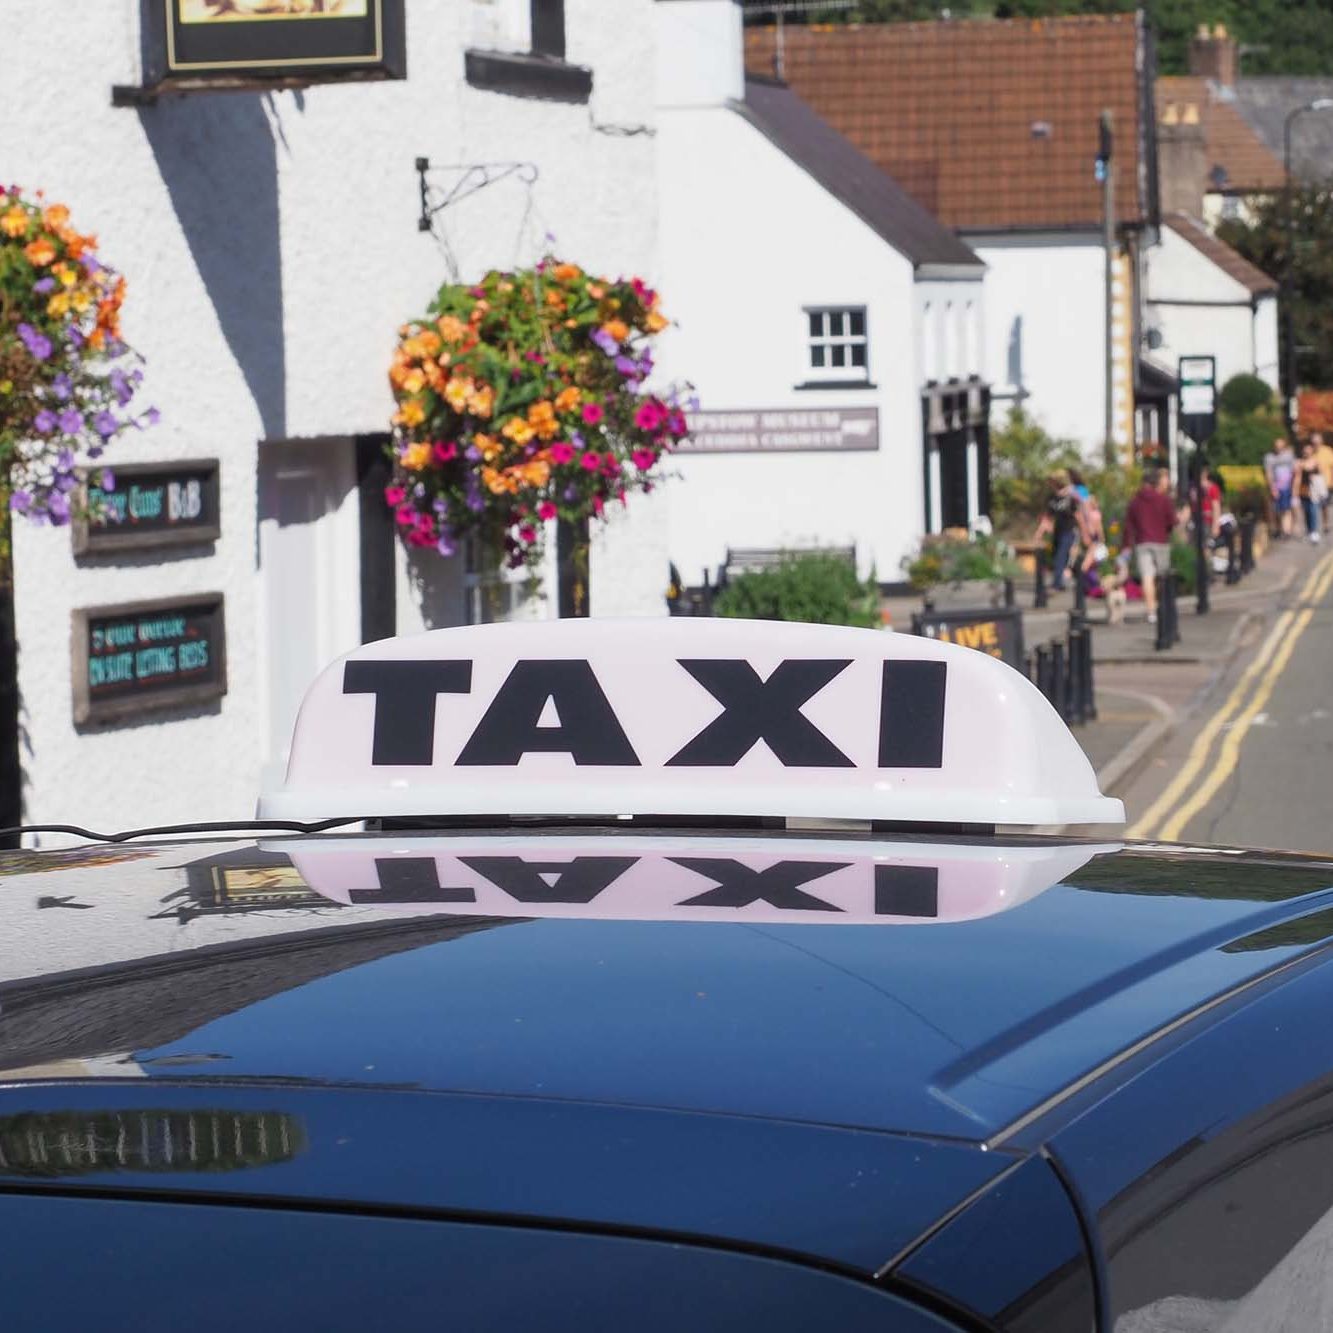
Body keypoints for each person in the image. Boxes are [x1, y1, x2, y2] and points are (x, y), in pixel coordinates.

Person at [1124, 467, 1177, 626]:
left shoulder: (1134, 502)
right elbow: (1171, 522)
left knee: (1147, 578)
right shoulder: (1163, 500)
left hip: (1142, 543)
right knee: (1163, 577)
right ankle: (1162, 607)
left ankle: (1151, 612)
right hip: (1161, 541)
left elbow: (1128, 526)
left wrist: (1126, 545)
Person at [1034, 469, 1080, 591]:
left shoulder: (1071, 495)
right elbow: (1047, 517)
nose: (1050, 484)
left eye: (1052, 481)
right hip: (1058, 531)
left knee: (1060, 556)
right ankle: (1063, 581)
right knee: (1057, 557)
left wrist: (1084, 532)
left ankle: (1057, 584)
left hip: (1069, 530)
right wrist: (1039, 533)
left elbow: (1080, 510)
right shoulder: (1052, 498)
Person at [1263, 436, 1297, 538]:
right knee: (1277, 510)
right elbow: (1268, 473)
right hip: (1276, 487)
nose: (1278, 448)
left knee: (1286, 509)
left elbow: (1295, 471)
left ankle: (1286, 531)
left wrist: (1294, 486)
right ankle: (1279, 529)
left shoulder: (1289, 456)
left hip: (1287, 487)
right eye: (1277, 446)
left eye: (1280, 446)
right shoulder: (1269, 457)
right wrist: (1272, 488)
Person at [1296, 440, 1325, 544]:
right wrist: (1295, 491)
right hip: (1303, 490)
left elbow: (1321, 474)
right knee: (1306, 511)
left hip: (1313, 491)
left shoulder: (1316, 462)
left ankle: (1314, 531)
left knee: (1313, 511)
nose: (1306, 452)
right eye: (1305, 450)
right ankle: (1309, 531)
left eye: (1308, 450)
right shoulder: (1300, 462)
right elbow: (1297, 478)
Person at [1314, 431, 1333, 535]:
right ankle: (1315, 526)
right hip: (1313, 485)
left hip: (1326, 483)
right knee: (1314, 506)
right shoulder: (1310, 451)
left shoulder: (1327, 451)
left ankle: (1325, 524)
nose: (1315, 441)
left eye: (1317, 439)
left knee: (1324, 506)